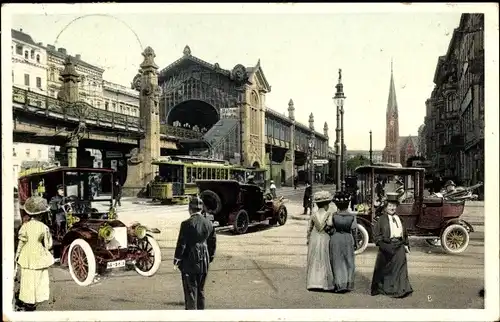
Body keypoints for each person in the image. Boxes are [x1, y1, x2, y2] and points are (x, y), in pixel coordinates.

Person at [174, 196, 217, 310]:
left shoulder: (186, 224)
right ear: (201, 209)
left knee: (190, 291)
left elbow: (181, 244)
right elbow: (212, 243)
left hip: (190, 260)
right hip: (205, 259)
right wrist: (210, 257)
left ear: (190, 209)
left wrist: (177, 260)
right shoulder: (209, 224)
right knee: (201, 290)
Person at [15, 196, 55, 311]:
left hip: (27, 252)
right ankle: (38, 297)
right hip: (38, 251)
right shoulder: (44, 227)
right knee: (39, 276)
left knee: (27, 276)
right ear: (41, 214)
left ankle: (27, 300)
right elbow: (48, 245)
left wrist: (17, 255)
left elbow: (21, 243)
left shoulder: (25, 226)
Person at [371, 192, 413, 298]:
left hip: (399, 245)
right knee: (387, 270)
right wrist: (383, 245)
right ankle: (388, 289)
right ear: (385, 207)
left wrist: (406, 244)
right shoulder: (381, 220)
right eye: (390, 206)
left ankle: (401, 289)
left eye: (394, 206)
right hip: (387, 246)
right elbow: (376, 235)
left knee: (400, 268)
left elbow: (404, 233)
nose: (392, 208)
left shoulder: (399, 219)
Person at [328, 191, 358, 293]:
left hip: (336, 238)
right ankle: (348, 284)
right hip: (348, 238)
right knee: (349, 261)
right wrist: (356, 243)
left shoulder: (334, 215)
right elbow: (354, 230)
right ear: (348, 204)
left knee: (337, 261)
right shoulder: (352, 217)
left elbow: (330, 227)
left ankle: (339, 284)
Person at [306, 190, 335, 291]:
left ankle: (313, 282)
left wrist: (308, 238)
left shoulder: (313, 214)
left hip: (315, 236)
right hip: (324, 236)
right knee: (324, 258)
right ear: (326, 205)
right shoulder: (328, 214)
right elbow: (330, 224)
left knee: (314, 258)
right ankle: (324, 283)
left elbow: (309, 228)